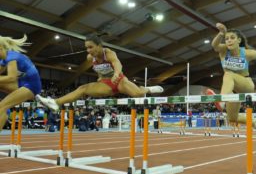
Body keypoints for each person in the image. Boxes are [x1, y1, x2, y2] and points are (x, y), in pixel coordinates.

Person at [36, 34, 164, 111]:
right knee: (82, 88)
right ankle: (55, 102)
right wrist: (100, 77)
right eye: (86, 48)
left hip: (119, 80)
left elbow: (117, 63)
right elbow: (99, 68)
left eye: (91, 47)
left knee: (138, 94)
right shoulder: (89, 58)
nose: (88, 50)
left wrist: (116, 74)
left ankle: (147, 89)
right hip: (106, 84)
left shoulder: (108, 53)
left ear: (99, 45)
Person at [0, 35, 42, 132]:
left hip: (31, 86)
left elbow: (11, 78)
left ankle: (3, 114)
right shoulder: (4, 58)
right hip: (22, 84)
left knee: (2, 106)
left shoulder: (11, 57)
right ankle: (3, 115)